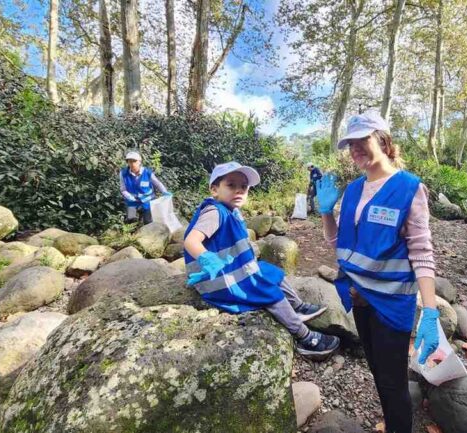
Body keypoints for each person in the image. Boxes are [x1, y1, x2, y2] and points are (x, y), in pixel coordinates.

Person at [316, 111, 438, 433]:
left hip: (391, 305)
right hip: (358, 298)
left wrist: (430, 311)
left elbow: (421, 251)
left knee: (393, 383)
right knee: (377, 374)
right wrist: (326, 212)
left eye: (363, 140)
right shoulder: (353, 190)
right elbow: (339, 242)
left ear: (383, 141)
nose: (355, 149)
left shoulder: (409, 188)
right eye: (350, 144)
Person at [183, 161, 340, 360]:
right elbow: (191, 240)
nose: (239, 190)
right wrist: (208, 259)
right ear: (214, 189)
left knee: (270, 271)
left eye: (243, 186)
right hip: (220, 278)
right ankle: (305, 337)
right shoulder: (214, 212)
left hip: (233, 269)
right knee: (267, 291)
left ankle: (297, 306)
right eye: (231, 185)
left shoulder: (231, 210)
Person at [120, 150, 170, 225]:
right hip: (132, 201)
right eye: (130, 161)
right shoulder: (123, 173)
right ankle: (134, 229)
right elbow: (123, 189)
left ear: (140, 162)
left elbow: (157, 184)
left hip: (147, 200)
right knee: (130, 220)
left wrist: (164, 192)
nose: (132, 163)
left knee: (148, 222)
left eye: (134, 161)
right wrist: (130, 197)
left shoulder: (147, 172)